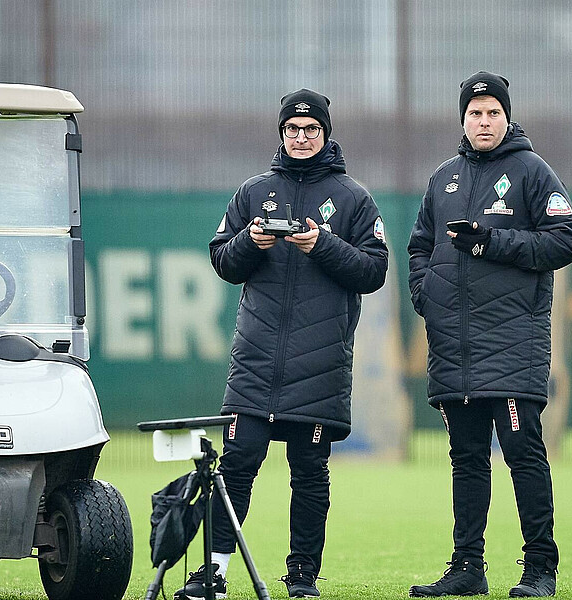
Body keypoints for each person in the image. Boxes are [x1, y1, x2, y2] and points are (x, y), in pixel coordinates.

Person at [177, 89, 389, 600]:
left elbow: (374, 270)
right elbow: (223, 261)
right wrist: (252, 240)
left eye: (311, 129)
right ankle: (216, 573)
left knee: (310, 475)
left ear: (326, 134)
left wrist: (323, 245)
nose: (300, 137)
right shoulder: (254, 192)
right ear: (281, 133)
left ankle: (302, 577)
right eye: (292, 129)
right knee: (236, 467)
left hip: (319, 365)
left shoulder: (354, 197)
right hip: (256, 361)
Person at [407, 71, 572, 598]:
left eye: (493, 113)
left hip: (512, 345)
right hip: (454, 347)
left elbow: (564, 241)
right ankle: (467, 567)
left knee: (523, 454)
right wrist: (427, 296)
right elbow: (418, 248)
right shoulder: (443, 180)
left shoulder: (532, 172)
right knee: (466, 460)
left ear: (507, 117)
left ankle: (539, 569)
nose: (484, 121)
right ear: (463, 119)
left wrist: (491, 243)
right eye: (475, 113)